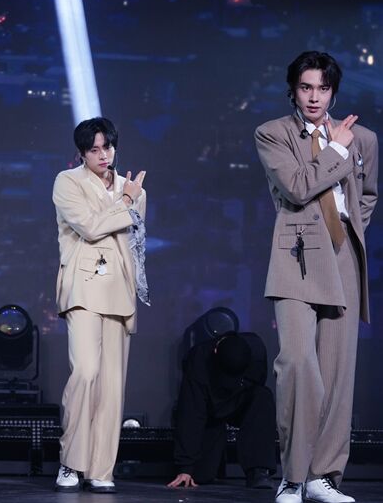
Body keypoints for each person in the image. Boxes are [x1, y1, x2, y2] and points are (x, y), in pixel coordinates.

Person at [255, 51, 377, 503]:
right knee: (298, 364)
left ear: (333, 93)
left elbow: (367, 196)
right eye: (306, 87)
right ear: (293, 90)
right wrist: (336, 150)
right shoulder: (274, 133)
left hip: (342, 254)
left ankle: (322, 476)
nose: (314, 97)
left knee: (337, 374)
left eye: (322, 89)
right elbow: (298, 186)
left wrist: (349, 232)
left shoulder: (364, 138)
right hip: (297, 254)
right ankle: (292, 475)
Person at [52, 117, 147, 494]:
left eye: (107, 147)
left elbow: (134, 242)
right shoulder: (67, 181)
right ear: (82, 153)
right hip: (83, 286)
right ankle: (71, 461)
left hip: (119, 289)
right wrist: (125, 202)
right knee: (86, 372)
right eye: (94, 149)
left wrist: (130, 198)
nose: (103, 155)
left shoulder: (133, 188)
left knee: (112, 386)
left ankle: (101, 468)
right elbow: (90, 227)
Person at [167, 332, 276, 490]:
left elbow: (256, 383)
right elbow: (191, 412)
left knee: (262, 397)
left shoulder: (257, 352)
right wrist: (185, 467)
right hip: (210, 411)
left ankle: (259, 471)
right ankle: (209, 464)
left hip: (240, 400)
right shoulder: (199, 359)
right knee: (200, 475)